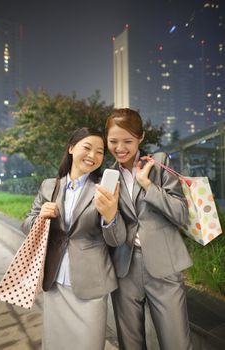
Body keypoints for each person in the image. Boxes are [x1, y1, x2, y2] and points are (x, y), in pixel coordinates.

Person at [22, 127, 126, 350]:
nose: (93, 156)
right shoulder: (50, 186)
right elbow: (27, 224)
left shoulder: (104, 189)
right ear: (71, 148)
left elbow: (117, 240)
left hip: (91, 284)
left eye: (99, 152)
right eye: (87, 148)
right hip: (56, 279)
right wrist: (40, 217)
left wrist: (111, 216)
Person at [105, 108, 193, 350]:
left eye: (128, 141)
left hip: (164, 267)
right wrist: (109, 217)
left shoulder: (159, 162)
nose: (120, 148)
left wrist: (147, 184)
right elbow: (113, 235)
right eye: (113, 141)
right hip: (125, 269)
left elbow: (180, 213)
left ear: (141, 138)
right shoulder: (108, 175)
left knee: (176, 343)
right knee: (130, 344)